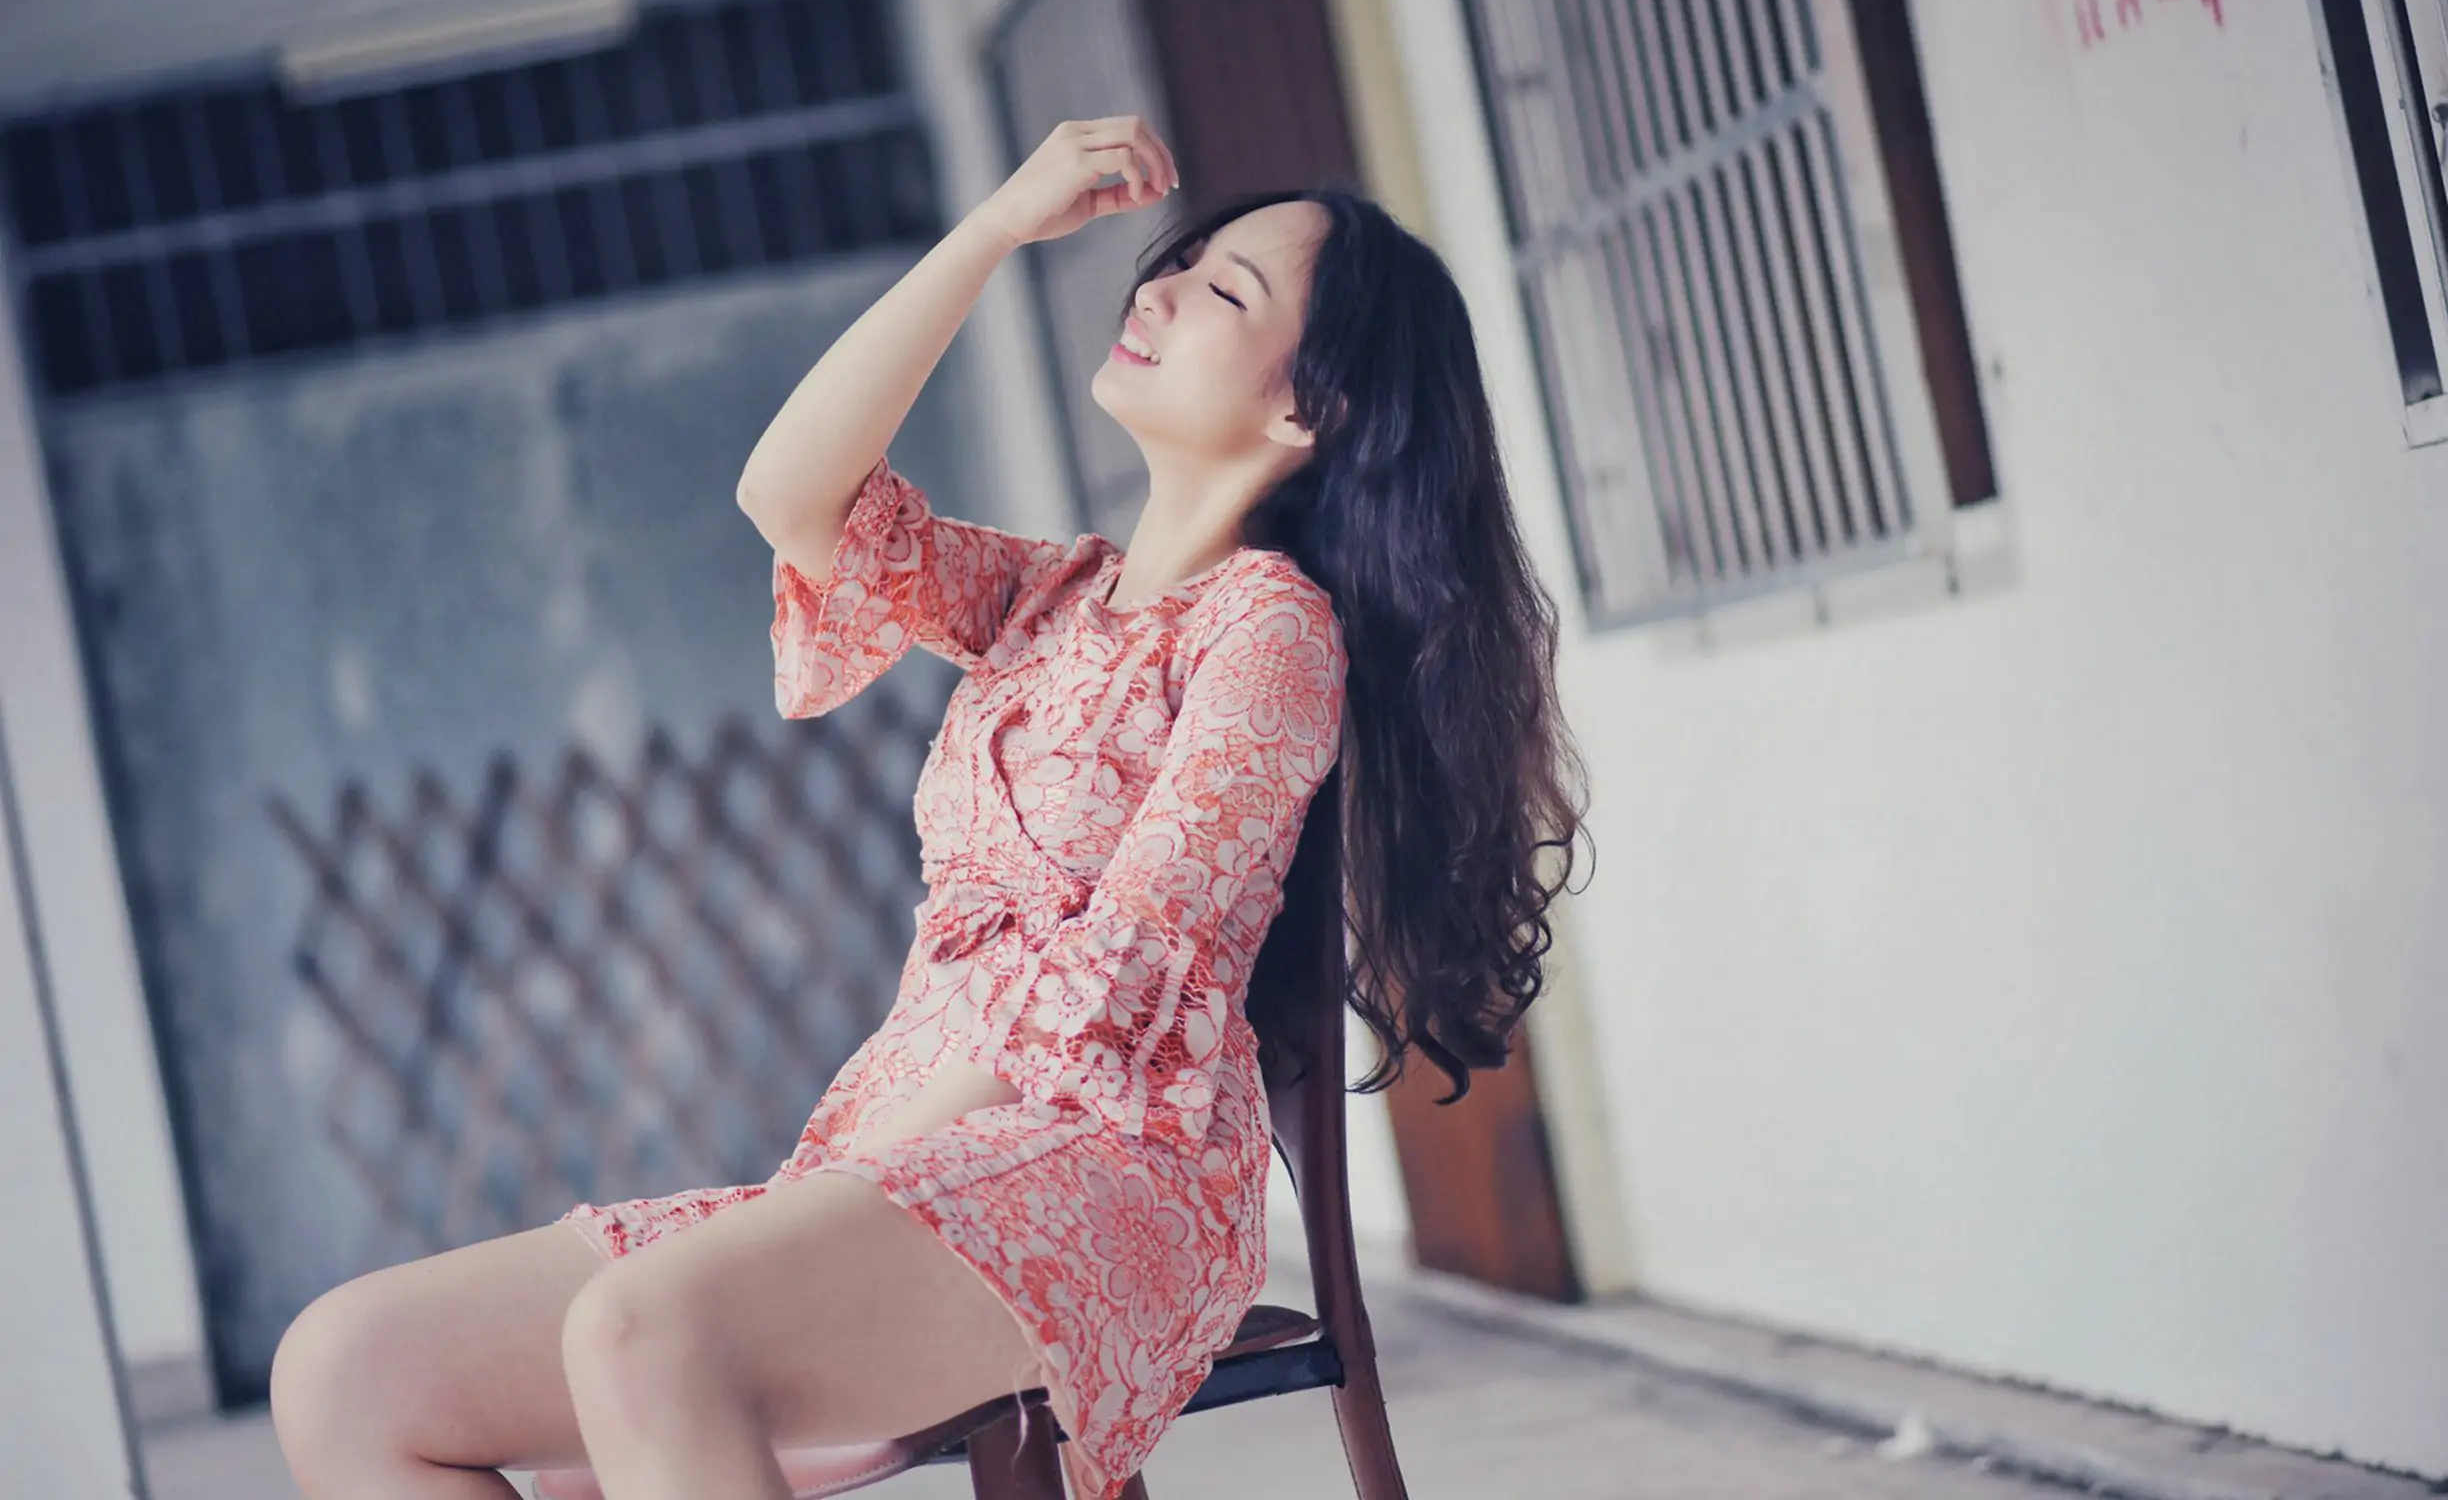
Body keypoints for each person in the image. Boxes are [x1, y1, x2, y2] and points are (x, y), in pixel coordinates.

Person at [269, 115, 1588, 1500]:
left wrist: (859, 1171)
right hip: (902, 1152)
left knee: (644, 1329)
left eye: (1222, 290)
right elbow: (792, 495)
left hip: (1111, 1174)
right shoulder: (1046, 596)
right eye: (1178, 261)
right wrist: (995, 228)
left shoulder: (1270, 630)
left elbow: (1130, 965)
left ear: (1306, 411)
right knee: (349, 1370)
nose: (1159, 288)